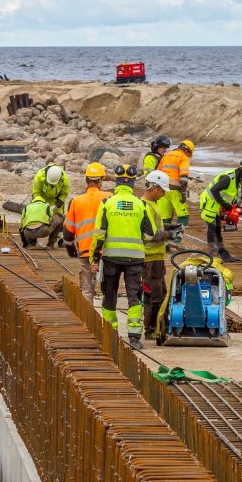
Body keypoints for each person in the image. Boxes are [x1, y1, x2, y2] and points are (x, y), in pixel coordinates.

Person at [90, 164, 156, 350]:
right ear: (133, 183)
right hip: (135, 260)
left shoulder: (107, 203)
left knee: (109, 295)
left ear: (117, 183)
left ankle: (110, 336)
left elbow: (99, 235)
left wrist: (94, 259)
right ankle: (134, 337)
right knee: (134, 296)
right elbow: (150, 234)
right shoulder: (141, 204)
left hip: (111, 258)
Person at [63, 163, 112, 303]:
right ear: (101, 180)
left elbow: (67, 232)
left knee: (87, 290)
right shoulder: (109, 198)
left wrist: (71, 249)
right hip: (107, 251)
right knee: (108, 290)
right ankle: (108, 321)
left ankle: (88, 321)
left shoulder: (76, 201)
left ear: (86, 180)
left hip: (86, 252)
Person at [199, 159, 242, 263]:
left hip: (217, 204)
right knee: (211, 228)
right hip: (210, 203)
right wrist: (225, 205)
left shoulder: (237, 179)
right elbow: (214, 190)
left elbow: (229, 194)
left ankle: (222, 252)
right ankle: (212, 254)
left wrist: (235, 205)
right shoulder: (228, 178)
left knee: (217, 228)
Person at [140, 170, 171, 338]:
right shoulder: (145, 206)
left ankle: (159, 326)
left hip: (156, 257)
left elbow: (154, 228)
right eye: (162, 190)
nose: (164, 193)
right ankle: (152, 330)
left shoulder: (152, 205)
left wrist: (168, 229)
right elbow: (149, 235)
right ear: (154, 187)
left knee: (162, 294)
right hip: (150, 258)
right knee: (154, 295)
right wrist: (168, 235)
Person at [156, 139, 194, 226]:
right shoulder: (183, 157)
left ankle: (165, 238)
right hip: (175, 190)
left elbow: (157, 172)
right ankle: (176, 238)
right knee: (183, 216)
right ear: (186, 150)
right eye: (189, 153)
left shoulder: (166, 155)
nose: (188, 156)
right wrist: (183, 193)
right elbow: (183, 177)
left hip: (162, 190)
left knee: (165, 218)